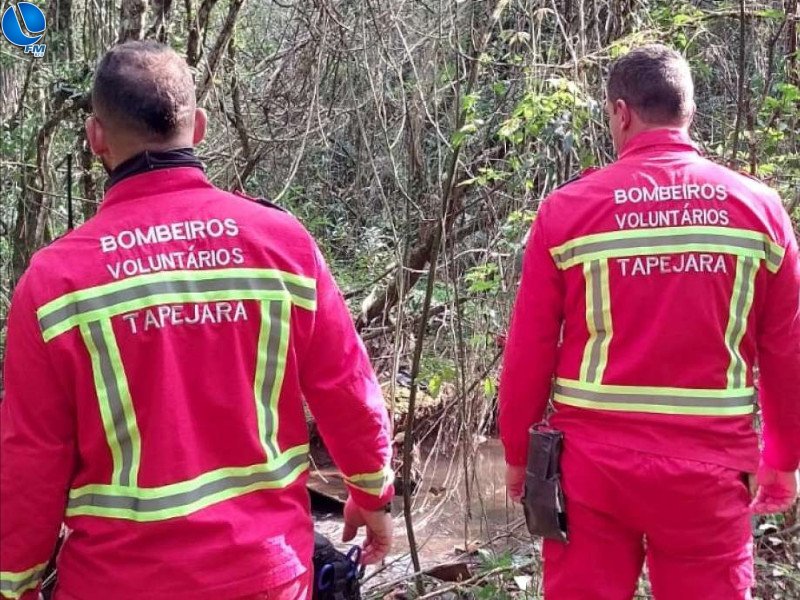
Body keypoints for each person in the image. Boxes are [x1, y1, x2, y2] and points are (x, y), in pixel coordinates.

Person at [0, 41, 394, 600]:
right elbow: (346, 384)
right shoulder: (281, 245)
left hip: (116, 584)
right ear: (199, 126)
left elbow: (31, 457)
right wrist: (372, 490)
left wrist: (16, 581)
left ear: (96, 139)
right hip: (268, 577)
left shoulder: (54, 283)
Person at [499, 44, 799, 599]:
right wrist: (783, 458)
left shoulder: (568, 211)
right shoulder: (759, 208)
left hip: (591, 470)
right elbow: (786, 350)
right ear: (687, 113)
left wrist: (518, 455)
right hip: (709, 474)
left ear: (620, 112)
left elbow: (530, 348)